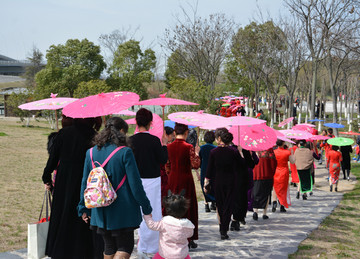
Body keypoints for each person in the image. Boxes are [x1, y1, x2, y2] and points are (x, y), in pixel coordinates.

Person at [78, 117, 152, 259]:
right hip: (123, 209)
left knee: (109, 247)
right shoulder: (125, 152)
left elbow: (85, 182)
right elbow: (135, 185)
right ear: (122, 131)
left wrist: (82, 207)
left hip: (100, 209)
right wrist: (147, 208)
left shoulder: (90, 153)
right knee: (125, 246)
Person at [42, 118, 100, 259]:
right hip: (85, 178)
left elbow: (53, 158)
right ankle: (83, 251)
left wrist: (46, 177)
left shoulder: (64, 133)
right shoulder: (94, 135)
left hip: (64, 179)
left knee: (62, 213)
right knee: (82, 217)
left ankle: (60, 250)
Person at [129, 108, 168, 258]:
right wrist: (164, 145)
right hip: (152, 179)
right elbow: (163, 160)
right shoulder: (154, 140)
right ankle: (150, 246)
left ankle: (141, 244)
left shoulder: (130, 141)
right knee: (152, 213)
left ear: (136, 122)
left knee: (138, 212)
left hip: (135, 180)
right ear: (151, 122)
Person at [205, 128, 246, 239]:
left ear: (220, 139)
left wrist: (206, 182)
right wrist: (241, 152)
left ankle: (221, 226)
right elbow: (242, 165)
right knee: (228, 205)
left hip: (218, 181)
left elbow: (209, 169)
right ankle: (224, 229)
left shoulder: (214, 152)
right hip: (231, 181)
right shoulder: (234, 152)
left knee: (220, 204)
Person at [166, 123, 200, 249]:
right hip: (186, 179)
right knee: (188, 207)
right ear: (186, 133)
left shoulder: (169, 147)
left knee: (172, 206)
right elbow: (196, 165)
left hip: (173, 178)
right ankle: (188, 238)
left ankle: (172, 235)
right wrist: (196, 154)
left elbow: (167, 166)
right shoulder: (189, 147)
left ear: (174, 133)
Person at [143, 190, 194, 259]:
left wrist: (147, 216)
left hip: (165, 254)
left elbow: (152, 225)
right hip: (182, 255)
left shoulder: (165, 222)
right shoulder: (187, 225)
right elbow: (190, 234)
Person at [252, 148, 277, 220]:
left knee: (256, 193)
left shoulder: (253, 148)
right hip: (267, 174)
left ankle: (255, 211)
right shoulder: (269, 150)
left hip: (255, 174)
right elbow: (273, 163)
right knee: (266, 193)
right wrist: (272, 173)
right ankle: (264, 213)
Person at [272, 140, 295, 213]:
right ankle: (282, 205)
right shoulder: (287, 152)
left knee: (275, 187)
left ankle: (274, 202)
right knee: (283, 188)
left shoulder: (274, 152)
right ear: (283, 143)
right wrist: (291, 153)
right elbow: (292, 161)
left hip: (276, 171)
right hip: (284, 171)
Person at [199, 130, 217, 212]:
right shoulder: (215, 148)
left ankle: (206, 203)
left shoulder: (201, 148)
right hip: (213, 169)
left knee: (204, 185)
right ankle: (213, 202)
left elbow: (199, 160)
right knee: (212, 185)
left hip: (204, 168)